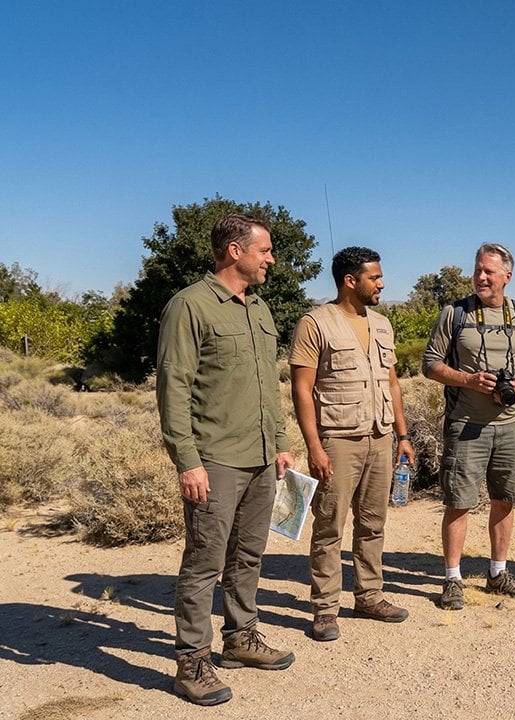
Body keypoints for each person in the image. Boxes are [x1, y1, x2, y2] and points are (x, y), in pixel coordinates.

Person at [156, 213, 296, 706]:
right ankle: (193, 661)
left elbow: (269, 386)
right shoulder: (190, 306)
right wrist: (187, 460)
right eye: (265, 250)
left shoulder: (259, 308)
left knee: (249, 555)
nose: (271, 259)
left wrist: (279, 439)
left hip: (259, 456)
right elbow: (173, 386)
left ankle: (241, 638)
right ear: (235, 251)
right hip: (214, 458)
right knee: (203, 562)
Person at [289, 246, 415, 642]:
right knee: (329, 526)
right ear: (350, 281)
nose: (381, 283)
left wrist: (403, 434)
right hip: (338, 440)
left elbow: (392, 383)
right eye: (374, 278)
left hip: (380, 436)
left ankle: (369, 595)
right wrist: (314, 446)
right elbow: (302, 389)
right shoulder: (315, 323)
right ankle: (325, 609)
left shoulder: (381, 323)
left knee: (373, 523)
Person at [422, 243, 515, 610]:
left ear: (507, 276)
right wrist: (467, 380)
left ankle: (498, 573)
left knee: (505, 499)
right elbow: (429, 364)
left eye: (489, 271)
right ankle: (453, 579)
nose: (480, 277)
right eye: (478, 270)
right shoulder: (454, 314)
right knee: (458, 502)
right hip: (466, 424)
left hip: (510, 425)